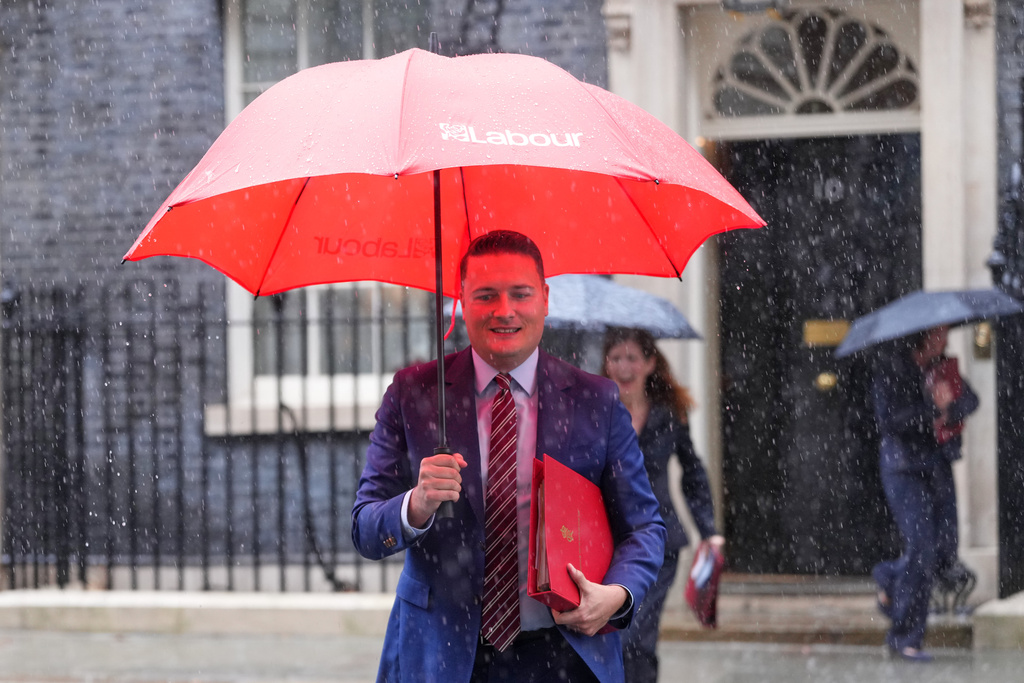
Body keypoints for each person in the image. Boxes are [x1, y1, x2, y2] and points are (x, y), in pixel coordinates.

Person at [351, 230, 666, 683]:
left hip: (566, 657)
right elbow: (364, 528)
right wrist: (415, 505)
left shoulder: (596, 400)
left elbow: (644, 527)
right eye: (486, 295)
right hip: (442, 658)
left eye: (520, 294)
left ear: (545, 299)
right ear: (461, 301)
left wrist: (617, 593)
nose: (504, 310)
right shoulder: (413, 394)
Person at [601, 326, 724, 682]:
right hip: (609, 540)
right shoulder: (597, 413)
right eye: (616, 358)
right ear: (606, 364)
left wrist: (709, 532)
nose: (624, 367)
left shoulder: (669, 414)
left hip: (659, 543)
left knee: (635, 635)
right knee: (616, 636)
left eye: (632, 358)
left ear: (650, 363)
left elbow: (693, 473)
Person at [870, 325, 979, 662]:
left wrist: (951, 406)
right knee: (921, 550)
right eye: (939, 334)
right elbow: (889, 422)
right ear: (922, 336)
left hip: (938, 464)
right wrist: (933, 408)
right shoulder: (893, 370)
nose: (945, 339)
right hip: (904, 468)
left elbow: (971, 400)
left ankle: (889, 579)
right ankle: (905, 638)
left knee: (945, 549)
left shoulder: (943, 368)